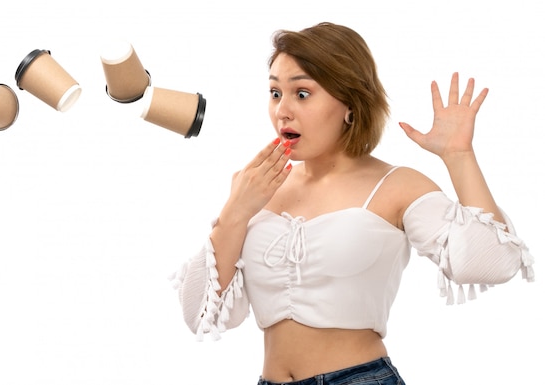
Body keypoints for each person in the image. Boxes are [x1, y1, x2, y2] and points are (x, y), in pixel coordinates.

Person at [170, 22, 534, 385]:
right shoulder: (256, 188)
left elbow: (494, 262)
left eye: (302, 94)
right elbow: (202, 314)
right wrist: (235, 212)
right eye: (275, 92)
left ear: (349, 103)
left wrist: (459, 156)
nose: (282, 110)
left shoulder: (395, 185)